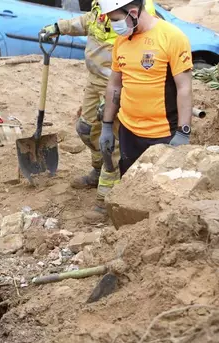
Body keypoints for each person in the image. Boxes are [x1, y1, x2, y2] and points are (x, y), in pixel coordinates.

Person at [39, 0, 155, 222]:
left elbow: (143, 50)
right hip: (95, 81)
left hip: (117, 84)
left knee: (110, 141)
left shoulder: (136, 8)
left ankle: (106, 199)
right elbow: (91, 22)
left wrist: (119, 95)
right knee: (85, 128)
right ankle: (98, 169)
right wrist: (59, 27)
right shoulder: (101, 3)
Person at [99, 0, 192, 177]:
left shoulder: (172, 37)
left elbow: (184, 88)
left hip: (163, 134)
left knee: (159, 193)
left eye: (116, 20)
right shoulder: (121, 41)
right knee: (129, 186)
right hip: (128, 132)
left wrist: (183, 133)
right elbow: (115, 84)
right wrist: (107, 126)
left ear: (133, 13)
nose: (113, 26)